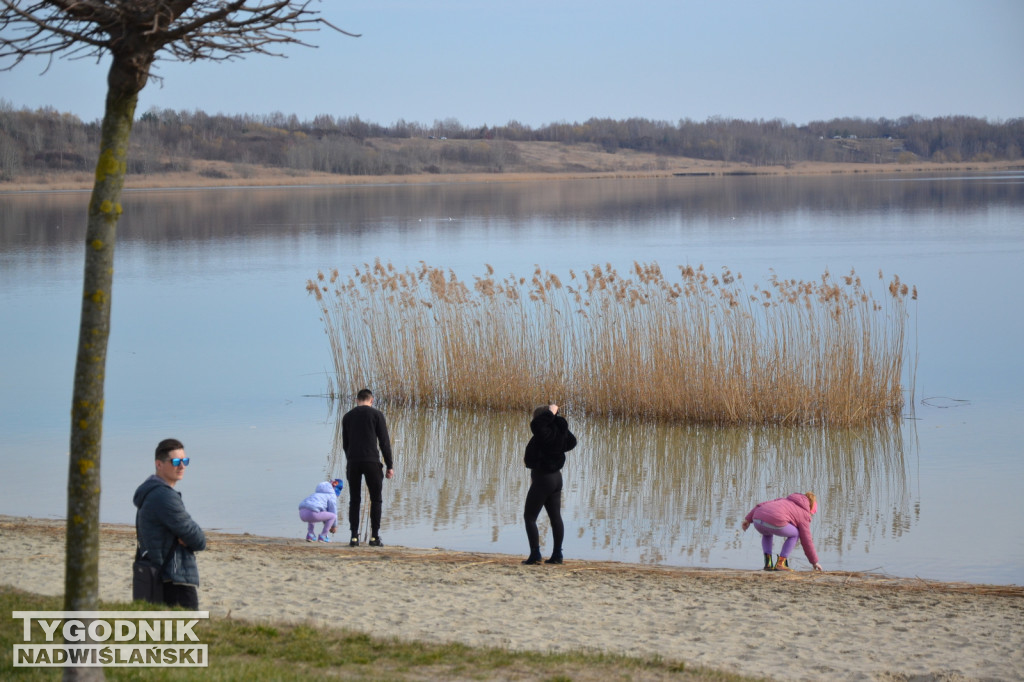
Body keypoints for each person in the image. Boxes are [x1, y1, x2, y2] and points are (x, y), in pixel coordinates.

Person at [133, 438, 207, 608]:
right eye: (175, 461)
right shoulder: (163, 497)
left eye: (185, 460)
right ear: (159, 464)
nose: (182, 466)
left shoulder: (150, 491)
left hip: (159, 575)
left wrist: (184, 536)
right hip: (173, 579)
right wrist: (185, 537)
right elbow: (198, 539)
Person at [522, 403, 577, 565]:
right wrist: (556, 421)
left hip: (544, 478)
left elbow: (537, 425)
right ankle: (557, 555)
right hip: (555, 478)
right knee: (555, 518)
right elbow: (572, 442)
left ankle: (535, 555)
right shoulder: (555, 433)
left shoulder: (543, 432)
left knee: (529, 517)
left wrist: (551, 413)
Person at [341, 388, 394, 547]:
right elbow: (384, 442)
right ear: (372, 400)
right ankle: (374, 537)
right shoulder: (377, 415)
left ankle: (353, 538)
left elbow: (345, 444)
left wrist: (350, 459)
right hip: (372, 462)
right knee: (376, 499)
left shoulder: (348, 417)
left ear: (357, 400)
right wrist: (390, 466)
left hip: (353, 462)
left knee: (354, 499)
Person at [742, 492, 824, 572]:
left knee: (767, 533)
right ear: (810, 508)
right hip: (774, 521)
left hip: (757, 519)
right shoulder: (804, 514)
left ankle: (768, 563)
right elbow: (807, 540)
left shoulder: (783, 500)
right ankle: (781, 563)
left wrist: (748, 520)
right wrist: (814, 562)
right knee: (796, 534)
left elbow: (760, 505)